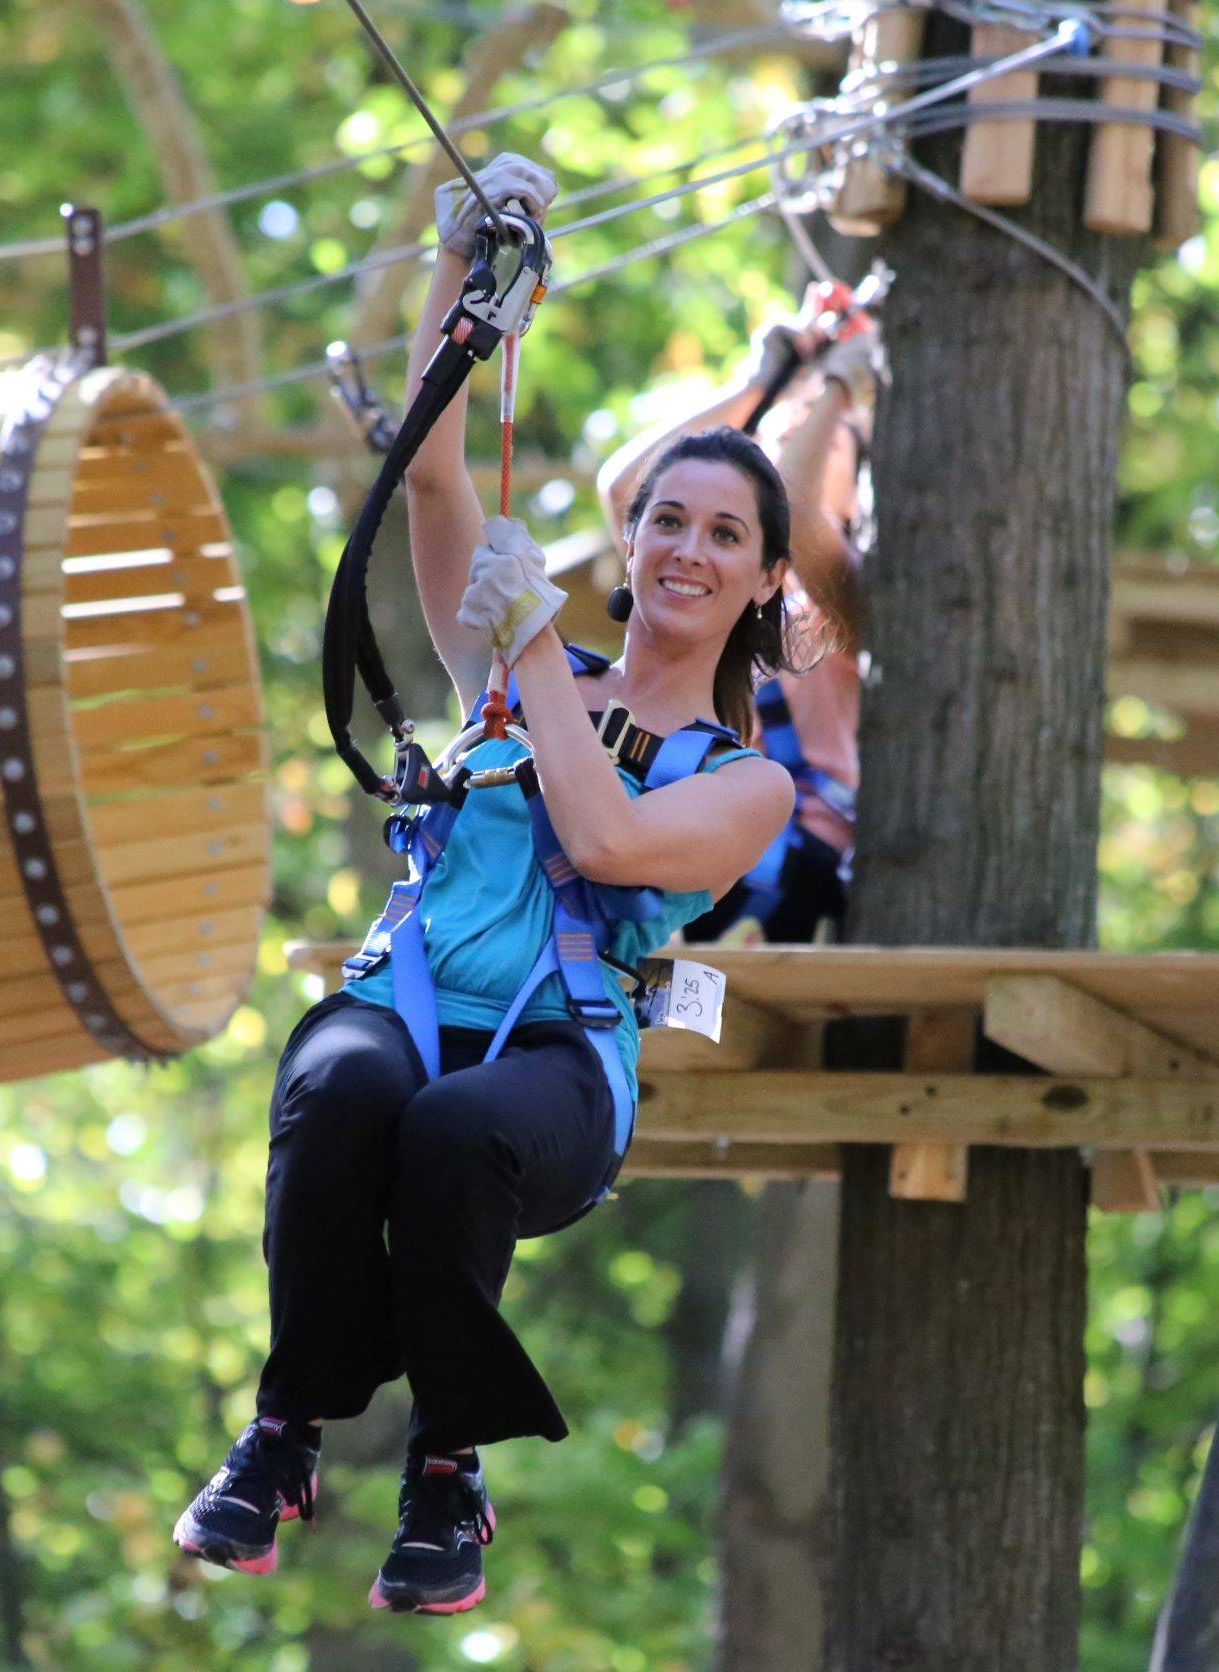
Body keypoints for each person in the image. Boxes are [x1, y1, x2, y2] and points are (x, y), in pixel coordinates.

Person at [172, 153, 797, 1616]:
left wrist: (522, 648)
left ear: (764, 581)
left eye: (725, 535)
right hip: (411, 992)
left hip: (564, 1069)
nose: (687, 549)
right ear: (630, 542)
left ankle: (447, 1466)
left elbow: (609, 844)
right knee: (337, 1088)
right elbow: (435, 472)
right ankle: (286, 1434)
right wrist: (470, 277)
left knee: (452, 1132)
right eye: (667, 520)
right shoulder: (528, 663)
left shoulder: (739, 777)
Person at [597, 286, 881, 946]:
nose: (784, 441)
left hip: (789, 876)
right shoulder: (718, 587)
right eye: (784, 428)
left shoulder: (849, 595)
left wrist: (839, 385)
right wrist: (760, 385)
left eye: (809, 435)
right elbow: (626, 491)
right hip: (699, 844)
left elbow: (801, 511)